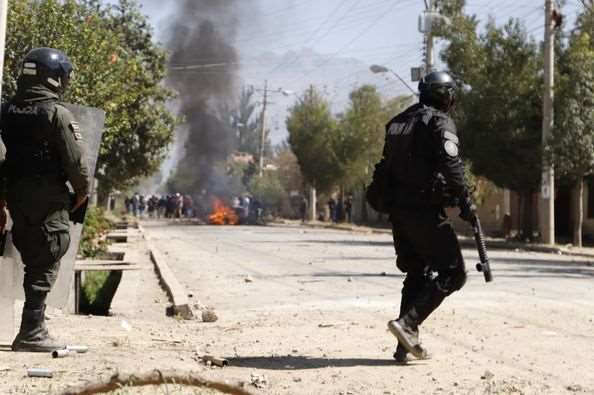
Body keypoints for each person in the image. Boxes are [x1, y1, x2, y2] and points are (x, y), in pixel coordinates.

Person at [376, 71, 475, 363]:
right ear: (445, 95)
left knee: (417, 272)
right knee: (453, 272)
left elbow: (387, 165)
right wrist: (465, 200)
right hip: (423, 210)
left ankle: (404, 344)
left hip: (398, 211)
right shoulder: (439, 122)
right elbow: (451, 164)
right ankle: (408, 324)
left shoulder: (397, 123)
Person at [0, 47, 89, 352]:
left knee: (29, 253)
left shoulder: (5, 111)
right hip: (47, 196)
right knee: (49, 253)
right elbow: (76, 163)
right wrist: (82, 191)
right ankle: (32, 332)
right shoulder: (56, 113)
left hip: (16, 195)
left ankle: (32, 328)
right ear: (55, 79)